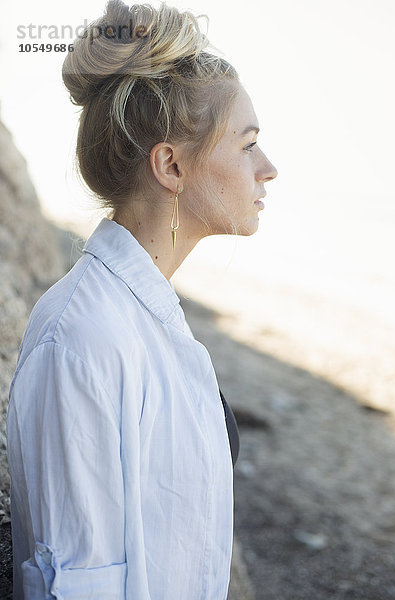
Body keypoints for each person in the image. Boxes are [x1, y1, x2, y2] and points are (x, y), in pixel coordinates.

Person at [6, 0, 278, 598]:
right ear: (171, 165)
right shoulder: (84, 339)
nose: (268, 168)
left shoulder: (146, 317)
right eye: (247, 144)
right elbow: (77, 585)